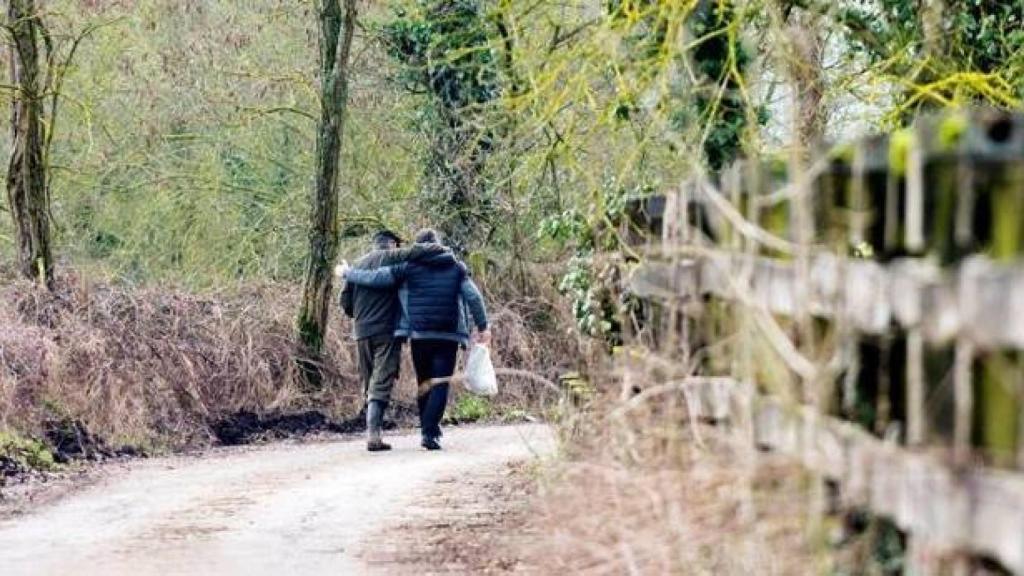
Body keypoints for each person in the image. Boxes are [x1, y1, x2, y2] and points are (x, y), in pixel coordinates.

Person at [340, 228, 490, 451]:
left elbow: (376, 278)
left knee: (425, 383)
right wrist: (483, 326)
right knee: (440, 383)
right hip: (448, 335)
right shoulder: (456, 267)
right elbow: (473, 297)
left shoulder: (409, 267)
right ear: (439, 244)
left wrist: (348, 273)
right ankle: (429, 432)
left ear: (417, 248)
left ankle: (423, 430)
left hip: (420, 335)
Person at [338, 229, 445, 452]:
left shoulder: (356, 264)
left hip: (362, 331)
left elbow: (345, 301)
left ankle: (373, 431)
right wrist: (442, 250)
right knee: (381, 382)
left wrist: (360, 315)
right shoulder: (392, 258)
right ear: (393, 245)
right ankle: (373, 436)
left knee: (369, 382)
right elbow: (420, 251)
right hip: (386, 331)